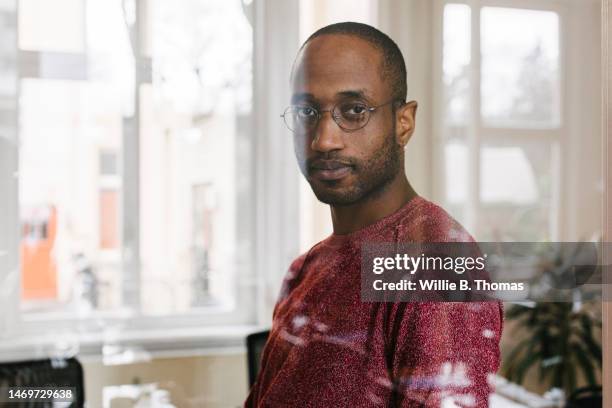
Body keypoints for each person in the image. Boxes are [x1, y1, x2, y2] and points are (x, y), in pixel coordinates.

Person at [245, 22, 503, 407]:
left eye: (354, 110)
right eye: (306, 111)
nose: (324, 140)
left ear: (404, 122)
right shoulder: (307, 267)